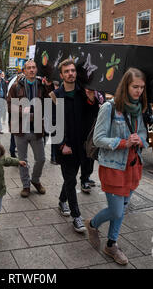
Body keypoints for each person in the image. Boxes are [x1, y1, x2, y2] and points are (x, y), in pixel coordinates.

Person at [86, 67, 148, 266]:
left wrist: (141, 140)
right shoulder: (109, 107)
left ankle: (111, 244)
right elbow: (98, 139)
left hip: (132, 165)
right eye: (135, 87)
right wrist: (123, 142)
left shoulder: (139, 108)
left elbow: (144, 135)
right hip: (113, 166)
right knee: (117, 211)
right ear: (125, 86)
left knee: (123, 207)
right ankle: (93, 224)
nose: (139, 91)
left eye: (142, 87)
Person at [50, 59, 100, 233]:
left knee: (70, 178)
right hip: (66, 147)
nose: (70, 73)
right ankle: (76, 216)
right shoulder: (55, 96)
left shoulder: (83, 93)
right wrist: (62, 144)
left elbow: (94, 116)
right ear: (62, 75)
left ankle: (62, 200)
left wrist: (92, 100)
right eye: (67, 71)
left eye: (73, 70)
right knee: (71, 180)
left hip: (83, 146)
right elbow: (52, 124)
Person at [7, 59, 54, 198]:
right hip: (20, 128)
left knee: (41, 159)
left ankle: (35, 180)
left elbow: (51, 101)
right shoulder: (16, 87)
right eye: (28, 68)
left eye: (34, 67)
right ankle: (26, 185)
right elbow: (9, 106)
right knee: (23, 160)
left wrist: (49, 87)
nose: (31, 70)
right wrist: (23, 111)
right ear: (24, 71)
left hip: (37, 128)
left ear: (36, 70)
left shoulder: (42, 85)